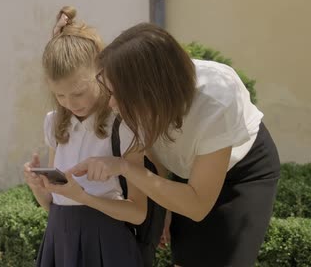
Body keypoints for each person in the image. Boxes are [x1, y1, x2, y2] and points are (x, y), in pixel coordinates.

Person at [69, 23, 281, 267]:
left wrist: (125, 168)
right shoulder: (139, 100)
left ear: (149, 90)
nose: (111, 104)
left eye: (117, 94)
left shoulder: (216, 101)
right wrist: (165, 205)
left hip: (241, 173)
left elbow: (197, 205)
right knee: (186, 259)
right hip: (186, 168)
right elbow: (155, 152)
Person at [23, 6, 146, 267]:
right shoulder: (54, 123)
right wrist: (38, 188)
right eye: (60, 95)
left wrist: (84, 197)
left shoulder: (123, 125)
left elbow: (138, 213)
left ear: (100, 73)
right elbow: (55, 206)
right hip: (60, 241)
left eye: (79, 92)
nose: (70, 103)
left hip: (108, 245)